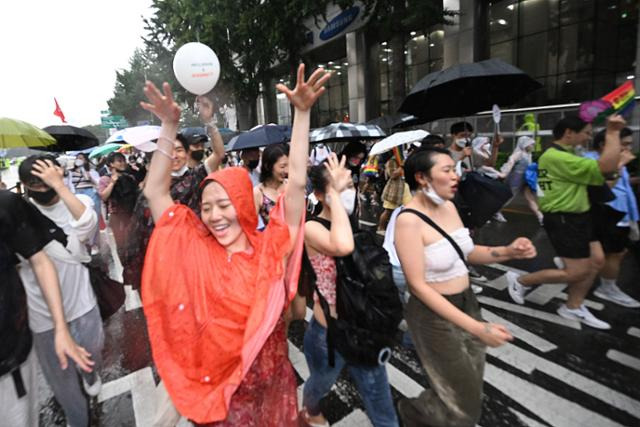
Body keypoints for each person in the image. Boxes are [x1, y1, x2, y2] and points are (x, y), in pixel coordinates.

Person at [139, 64, 330, 425]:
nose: (213, 216)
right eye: (206, 207)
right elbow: (154, 191)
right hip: (221, 401)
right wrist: (169, 127)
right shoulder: (197, 248)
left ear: (243, 205)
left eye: (224, 204)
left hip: (272, 390)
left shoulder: (269, 249)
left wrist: (302, 114)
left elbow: (297, 188)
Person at [394, 148, 536, 426]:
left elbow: (467, 252)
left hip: (467, 302)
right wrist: (478, 329)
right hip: (432, 316)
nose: (455, 176)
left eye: (453, 168)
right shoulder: (408, 221)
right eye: (446, 170)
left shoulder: (449, 206)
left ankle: (426, 410)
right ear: (422, 178)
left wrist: (507, 251)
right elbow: (418, 286)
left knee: (465, 383)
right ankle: (411, 414)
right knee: (466, 406)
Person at [301, 155, 398, 427]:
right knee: (320, 383)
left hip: (363, 328)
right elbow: (341, 247)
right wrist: (336, 195)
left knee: (379, 397)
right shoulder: (311, 227)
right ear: (320, 195)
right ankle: (309, 409)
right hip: (328, 332)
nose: (347, 193)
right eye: (337, 187)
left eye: (349, 186)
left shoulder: (350, 225)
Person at [505, 115, 625, 329]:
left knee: (596, 261)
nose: (588, 138)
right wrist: (613, 132)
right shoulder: (557, 157)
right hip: (564, 218)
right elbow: (605, 168)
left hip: (580, 216)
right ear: (569, 132)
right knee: (577, 271)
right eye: (586, 133)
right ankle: (521, 281)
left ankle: (573, 306)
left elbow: (604, 177)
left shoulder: (568, 154)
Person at [17, 156, 104, 427]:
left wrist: (61, 185)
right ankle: (78, 419)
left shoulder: (78, 203)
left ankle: (91, 377)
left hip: (82, 303)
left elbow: (88, 226)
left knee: (93, 351)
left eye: (48, 179)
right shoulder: (17, 216)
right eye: (35, 182)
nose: (43, 187)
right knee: (62, 379)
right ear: (24, 185)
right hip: (42, 316)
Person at [0, 189, 94, 427]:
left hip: (11, 357)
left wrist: (60, 328)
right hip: (39, 320)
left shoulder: (8, 206)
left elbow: (43, 260)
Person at [122, 102, 225, 290]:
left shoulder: (197, 176)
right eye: (169, 151)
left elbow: (219, 153)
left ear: (187, 154)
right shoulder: (154, 187)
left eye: (179, 150)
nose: (175, 155)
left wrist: (209, 121)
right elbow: (141, 226)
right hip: (164, 257)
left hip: (195, 252)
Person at [583, 127, 639, 307]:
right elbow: (602, 189)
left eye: (630, 145)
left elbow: (621, 184)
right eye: (624, 144)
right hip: (608, 212)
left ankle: (580, 268)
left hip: (624, 211)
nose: (627, 149)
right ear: (604, 145)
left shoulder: (613, 160)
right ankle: (605, 287)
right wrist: (620, 164)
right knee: (613, 253)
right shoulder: (593, 160)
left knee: (617, 251)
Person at [98, 152, 139, 260]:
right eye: (119, 161)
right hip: (117, 216)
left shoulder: (130, 177)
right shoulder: (105, 179)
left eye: (123, 160)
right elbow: (103, 197)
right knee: (121, 245)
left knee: (134, 242)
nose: (123, 163)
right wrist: (112, 183)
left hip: (132, 214)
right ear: (111, 164)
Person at [500, 136, 544, 225]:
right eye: (530, 144)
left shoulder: (529, 154)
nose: (532, 146)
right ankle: (495, 211)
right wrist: (504, 172)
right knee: (509, 196)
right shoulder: (519, 153)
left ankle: (540, 216)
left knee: (530, 197)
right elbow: (511, 161)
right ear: (524, 144)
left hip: (527, 178)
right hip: (517, 178)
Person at [253, 143, 289, 226]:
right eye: (282, 167)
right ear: (268, 166)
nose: (287, 171)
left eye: (288, 166)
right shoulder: (258, 192)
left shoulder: (290, 186)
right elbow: (252, 225)